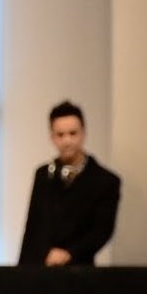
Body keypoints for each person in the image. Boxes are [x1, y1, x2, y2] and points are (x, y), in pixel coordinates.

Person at [18, 101, 122, 266]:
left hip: (79, 270)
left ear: (83, 134)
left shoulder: (105, 181)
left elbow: (102, 231)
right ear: (52, 137)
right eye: (60, 135)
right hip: (41, 269)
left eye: (73, 133)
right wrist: (22, 274)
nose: (67, 141)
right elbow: (32, 227)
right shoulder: (43, 175)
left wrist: (69, 253)